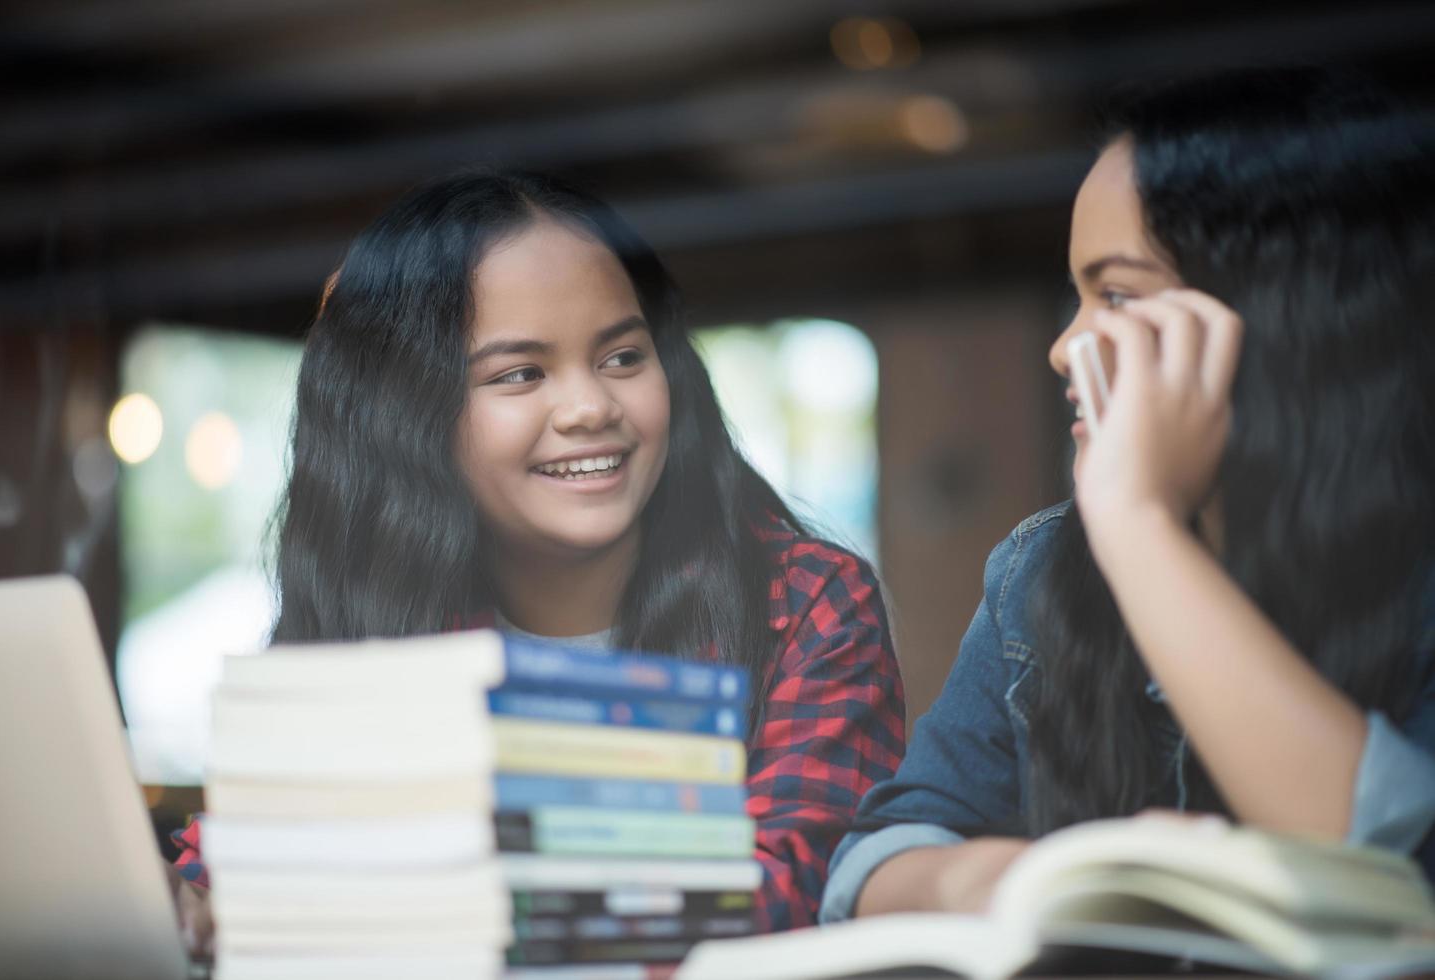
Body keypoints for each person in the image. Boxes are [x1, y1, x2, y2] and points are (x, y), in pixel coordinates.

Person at [168, 169, 906, 945]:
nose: (590, 407)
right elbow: (230, 872)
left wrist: (385, 907)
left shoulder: (804, 602)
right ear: (406, 417)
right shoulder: (371, 619)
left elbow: (786, 889)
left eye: (623, 357)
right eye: (519, 374)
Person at [820, 67, 1435, 923]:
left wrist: (1136, 520)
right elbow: (874, 860)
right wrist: (990, 879)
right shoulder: (1038, 572)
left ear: (1279, 311)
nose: (1066, 348)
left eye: (1113, 295)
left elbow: (1385, 875)